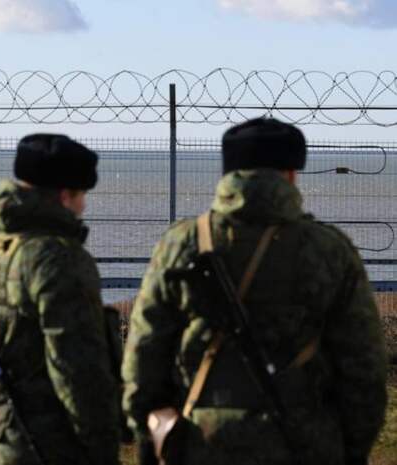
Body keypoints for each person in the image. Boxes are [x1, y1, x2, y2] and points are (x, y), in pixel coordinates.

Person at [122, 118, 388, 465]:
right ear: (291, 174)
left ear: (227, 173)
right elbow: (363, 368)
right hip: (303, 443)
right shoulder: (329, 250)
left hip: (202, 444)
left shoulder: (181, 244)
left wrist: (150, 440)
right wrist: (350, 449)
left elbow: (144, 356)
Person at [0, 134, 120, 465]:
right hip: (49, 443)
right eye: (81, 196)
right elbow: (76, 367)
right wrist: (102, 445)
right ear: (64, 196)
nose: (83, 207)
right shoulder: (56, 257)